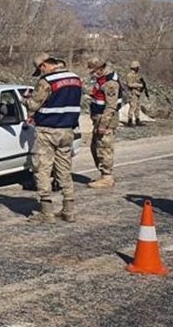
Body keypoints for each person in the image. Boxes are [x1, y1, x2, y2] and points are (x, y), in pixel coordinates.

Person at [24, 53, 83, 223]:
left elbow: (34, 105)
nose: (41, 73)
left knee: (42, 168)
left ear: (43, 65)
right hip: (67, 130)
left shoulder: (47, 81)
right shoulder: (75, 78)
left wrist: (25, 100)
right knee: (64, 170)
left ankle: (46, 211)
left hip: (48, 130)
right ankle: (68, 210)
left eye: (40, 70)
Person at [83, 57, 123, 189]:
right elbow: (97, 94)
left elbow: (111, 106)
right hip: (98, 119)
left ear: (100, 69)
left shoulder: (110, 83)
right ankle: (103, 174)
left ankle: (107, 177)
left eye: (93, 71)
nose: (92, 74)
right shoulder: (101, 80)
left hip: (105, 121)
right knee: (95, 148)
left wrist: (103, 124)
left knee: (104, 148)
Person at [125, 61, 147, 127]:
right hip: (132, 93)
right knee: (133, 107)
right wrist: (139, 85)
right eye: (137, 67)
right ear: (135, 67)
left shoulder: (136, 75)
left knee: (137, 107)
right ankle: (130, 121)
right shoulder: (129, 75)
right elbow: (129, 84)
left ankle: (137, 120)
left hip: (137, 93)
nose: (138, 68)